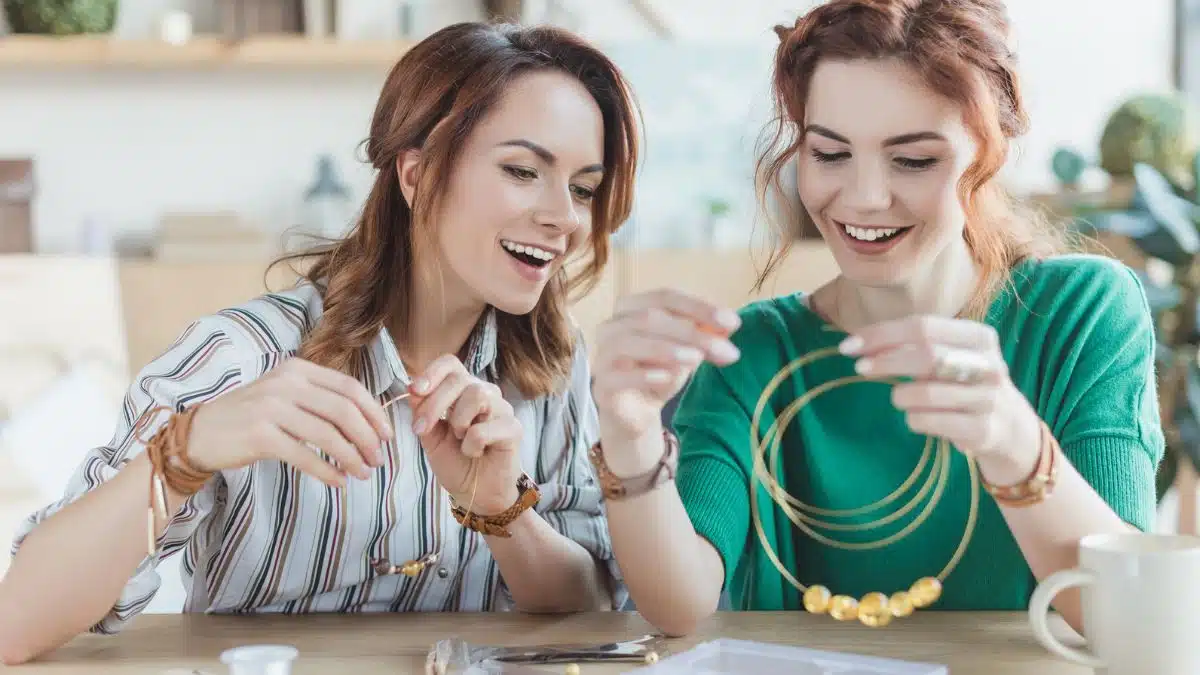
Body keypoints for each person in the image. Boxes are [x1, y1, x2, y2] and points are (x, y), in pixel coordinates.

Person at [0, 21, 641, 665]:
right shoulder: (243, 356)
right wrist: (185, 452)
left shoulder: (549, 365)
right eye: (523, 170)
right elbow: (16, 624)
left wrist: (502, 511)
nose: (565, 218)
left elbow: (589, 613)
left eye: (583, 188)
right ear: (415, 175)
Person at [591, 0, 1163, 638]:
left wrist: (1014, 445)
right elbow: (678, 605)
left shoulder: (1082, 312)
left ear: (990, 156)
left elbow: (1123, 619)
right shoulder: (754, 350)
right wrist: (630, 433)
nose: (864, 197)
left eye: (914, 161)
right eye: (831, 155)